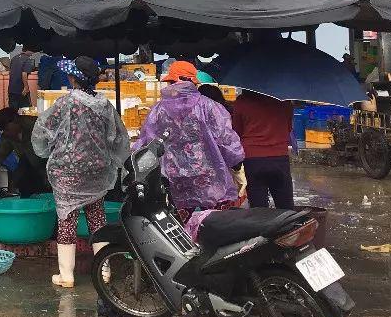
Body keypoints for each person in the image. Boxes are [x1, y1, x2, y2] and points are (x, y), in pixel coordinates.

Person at [32, 56, 131, 289]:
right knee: (98, 219)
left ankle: (66, 275)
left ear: (73, 78)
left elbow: (44, 130)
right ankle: (104, 270)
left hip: (68, 173)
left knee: (67, 219)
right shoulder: (105, 106)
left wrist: (47, 150)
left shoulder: (66, 104)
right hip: (97, 172)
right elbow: (118, 138)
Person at [135, 60, 245, 236]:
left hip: (176, 180)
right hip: (209, 178)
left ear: (171, 82)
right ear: (193, 82)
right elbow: (225, 138)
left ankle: (187, 258)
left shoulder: (158, 111)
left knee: (181, 230)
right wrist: (236, 163)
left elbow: (147, 142)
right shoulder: (209, 106)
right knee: (214, 226)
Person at [229, 89, 295, 209]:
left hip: (253, 160)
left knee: (258, 209)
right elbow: (289, 128)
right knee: (286, 208)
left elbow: (236, 132)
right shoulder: (285, 102)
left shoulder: (242, 102)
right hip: (279, 158)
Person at [0, 107, 49, 196]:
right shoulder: (8, 137)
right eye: (3, 130)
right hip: (29, 168)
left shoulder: (37, 126)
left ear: (15, 120)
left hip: (48, 166)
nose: (5, 133)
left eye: (7, 129)